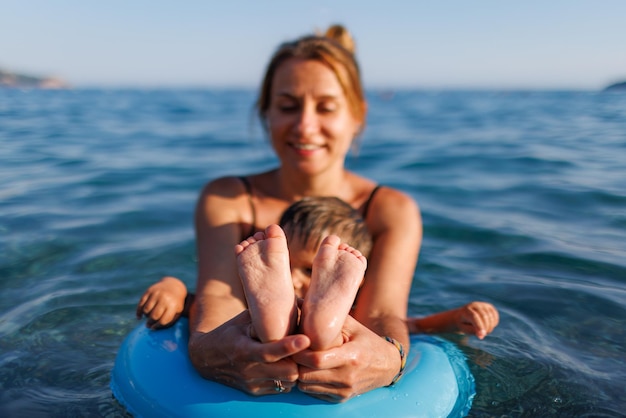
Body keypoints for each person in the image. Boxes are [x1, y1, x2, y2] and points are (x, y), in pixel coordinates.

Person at [155, 23, 488, 402]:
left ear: (357, 115)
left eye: (326, 107)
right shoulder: (228, 199)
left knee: (326, 325)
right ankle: (294, 318)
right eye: (287, 106)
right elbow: (218, 301)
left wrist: (388, 359)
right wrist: (208, 350)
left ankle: (308, 318)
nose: (305, 125)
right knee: (281, 324)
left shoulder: (390, 210)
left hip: (321, 339)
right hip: (263, 337)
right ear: (266, 113)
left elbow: (382, 313)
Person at [138, 197, 499, 380]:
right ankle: (307, 324)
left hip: (276, 342)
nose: (295, 279)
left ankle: (291, 324)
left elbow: (194, 305)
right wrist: (170, 288)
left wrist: (457, 317)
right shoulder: (359, 317)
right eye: (286, 267)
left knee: (247, 320)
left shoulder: (357, 316)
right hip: (307, 347)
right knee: (253, 319)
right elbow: (414, 327)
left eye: (310, 270)